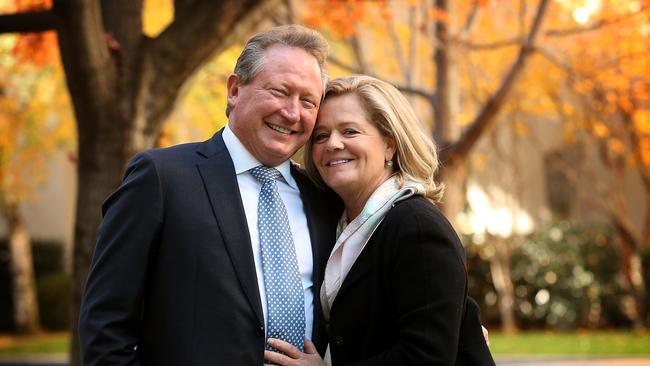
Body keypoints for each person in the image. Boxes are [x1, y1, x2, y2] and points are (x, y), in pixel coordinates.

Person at [78, 25, 341, 365]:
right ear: (234, 90)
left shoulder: (324, 199)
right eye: (279, 91)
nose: (293, 113)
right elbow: (104, 327)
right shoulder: (161, 178)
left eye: (308, 101)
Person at [264, 75, 495, 365]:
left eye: (350, 131)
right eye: (321, 136)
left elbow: (427, 357)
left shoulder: (417, 227)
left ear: (390, 145)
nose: (333, 144)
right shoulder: (336, 225)